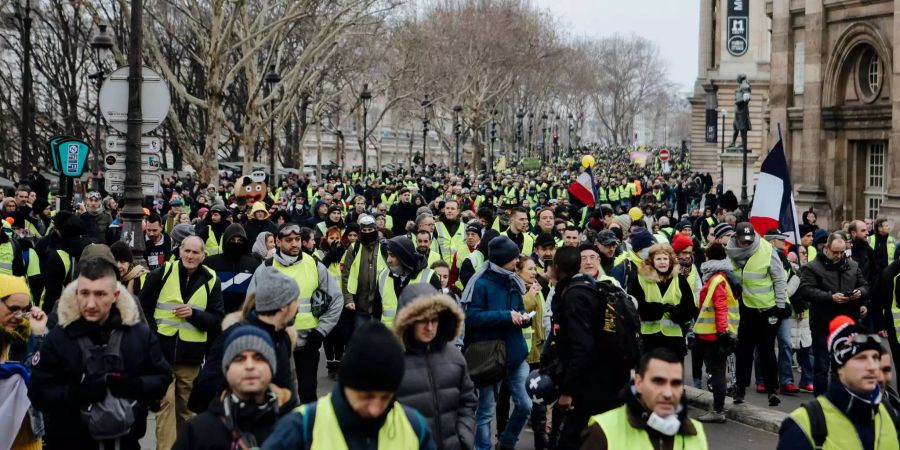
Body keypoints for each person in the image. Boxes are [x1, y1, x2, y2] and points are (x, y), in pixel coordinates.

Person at [29, 259, 172, 450]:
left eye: (100, 294)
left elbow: (162, 378)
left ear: (115, 295)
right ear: (76, 292)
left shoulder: (138, 334)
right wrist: (79, 393)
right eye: (84, 293)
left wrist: (133, 387)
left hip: (126, 442)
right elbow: (38, 393)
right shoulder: (58, 338)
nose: (90, 303)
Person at [261, 321, 436, 449]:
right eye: (366, 396)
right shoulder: (301, 428)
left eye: (385, 398)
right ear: (346, 385)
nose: (375, 409)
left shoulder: (414, 427)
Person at [139, 235, 225, 450]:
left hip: (191, 357)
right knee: (165, 406)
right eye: (187, 251)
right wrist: (153, 338)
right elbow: (143, 310)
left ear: (203, 256)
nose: (190, 256)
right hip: (161, 355)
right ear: (179, 251)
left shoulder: (211, 279)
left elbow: (216, 318)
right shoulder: (161, 273)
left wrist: (194, 314)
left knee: (187, 410)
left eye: (195, 252)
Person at [188, 266, 300, 414]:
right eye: (296, 300)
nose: (298, 307)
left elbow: (288, 390)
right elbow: (203, 392)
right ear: (283, 307)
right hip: (234, 430)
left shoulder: (283, 338)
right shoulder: (235, 336)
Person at [552, 246, 633, 450]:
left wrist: (568, 391)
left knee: (572, 440)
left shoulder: (575, 296)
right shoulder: (589, 287)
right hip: (610, 377)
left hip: (593, 383)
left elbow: (583, 347)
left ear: (557, 267)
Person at [777, 316, 898, 449]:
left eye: (875, 358)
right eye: (861, 358)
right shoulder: (803, 424)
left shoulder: (887, 411)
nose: (872, 366)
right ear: (839, 368)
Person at [462, 235, 532, 450]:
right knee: (485, 410)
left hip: (515, 354)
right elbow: (472, 318)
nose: (517, 262)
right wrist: (505, 315)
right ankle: (482, 447)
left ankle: (507, 442)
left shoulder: (512, 281)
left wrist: (522, 317)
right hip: (489, 357)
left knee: (525, 405)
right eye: (513, 258)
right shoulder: (481, 284)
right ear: (503, 260)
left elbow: (517, 310)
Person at [173, 325, 292, 450]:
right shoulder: (198, 431)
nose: (249, 366)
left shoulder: (295, 427)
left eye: (259, 358)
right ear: (226, 369)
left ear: (272, 368)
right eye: (240, 359)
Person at [265, 222, 342, 404]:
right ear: (278, 241)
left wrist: (321, 331)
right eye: (289, 240)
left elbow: (336, 299)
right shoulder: (267, 268)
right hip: (278, 344)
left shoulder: (314, 264)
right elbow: (253, 305)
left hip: (309, 342)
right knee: (281, 398)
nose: (295, 244)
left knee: (308, 395)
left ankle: (308, 431)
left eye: (298, 239)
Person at [394, 283, 477, 450]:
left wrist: (464, 438)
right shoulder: (393, 364)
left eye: (434, 320)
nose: (429, 327)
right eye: (422, 321)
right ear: (409, 321)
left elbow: (468, 402)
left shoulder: (455, 357)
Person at [581, 348, 708, 450]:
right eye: (658, 382)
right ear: (639, 383)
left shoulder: (696, 431)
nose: (668, 393)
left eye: (675, 383)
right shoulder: (603, 430)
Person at [798, 231, 869, 396]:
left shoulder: (852, 265)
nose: (838, 256)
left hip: (846, 324)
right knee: (822, 367)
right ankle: (821, 405)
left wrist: (861, 294)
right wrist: (830, 297)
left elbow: (865, 285)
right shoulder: (812, 267)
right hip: (823, 324)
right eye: (835, 252)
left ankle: (839, 403)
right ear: (826, 248)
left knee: (842, 367)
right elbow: (805, 290)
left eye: (841, 252)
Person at [727, 222, 788, 406]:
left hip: (766, 308)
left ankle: (772, 390)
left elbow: (779, 278)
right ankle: (741, 389)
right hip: (743, 308)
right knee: (743, 351)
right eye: (742, 241)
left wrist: (780, 305)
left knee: (766, 350)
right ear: (735, 238)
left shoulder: (767, 249)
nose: (746, 244)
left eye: (749, 240)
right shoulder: (729, 251)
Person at [692, 243, 740, 423]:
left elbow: (720, 306)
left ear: (708, 257)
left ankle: (718, 411)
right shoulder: (724, 276)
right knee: (717, 371)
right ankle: (718, 409)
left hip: (713, 334)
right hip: (715, 333)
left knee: (717, 372)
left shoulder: (717, 279)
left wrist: (722, 333)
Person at [0, 275, 47, 450]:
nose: (19, 316)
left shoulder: (28, 336)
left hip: (27, 439)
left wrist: (38, 336)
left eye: (23, 309)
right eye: (13, 308)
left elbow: (41, 377)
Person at [628, 244, 696, 357]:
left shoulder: (679, 280)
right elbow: (634, 305)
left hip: (674, 338)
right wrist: (660, 309)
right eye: (658, 259)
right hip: (649, 338)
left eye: (665, 259)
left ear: (670, 261)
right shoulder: (640, 279)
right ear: (652, 261)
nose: (662, 262)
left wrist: (677, 313)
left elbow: (690, 308)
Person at [377, 235, 442, 328]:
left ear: (403, 257)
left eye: (392, 255)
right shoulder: (383, 276)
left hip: (415, 339)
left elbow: (439, 314)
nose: (388, 260)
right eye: (387, 254)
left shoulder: (430, 277)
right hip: (388, 339)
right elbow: (377, 311)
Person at [342, 215, 387, 327]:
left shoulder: (384, 246)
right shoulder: (354, 248)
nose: (367, 232)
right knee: (361, 338)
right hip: (360, 303)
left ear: (375, 230)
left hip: (380, 301)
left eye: (370, 230)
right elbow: (346, 275)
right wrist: (348, 299)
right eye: (364, 230)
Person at [204, 223, 259, 314]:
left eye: (240, 240)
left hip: (244, 317)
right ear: (226, 241)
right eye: (232, 240)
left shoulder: (253, 264)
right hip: (216, 316)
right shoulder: (210, 262)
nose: (236, 243)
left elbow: (256, 294)